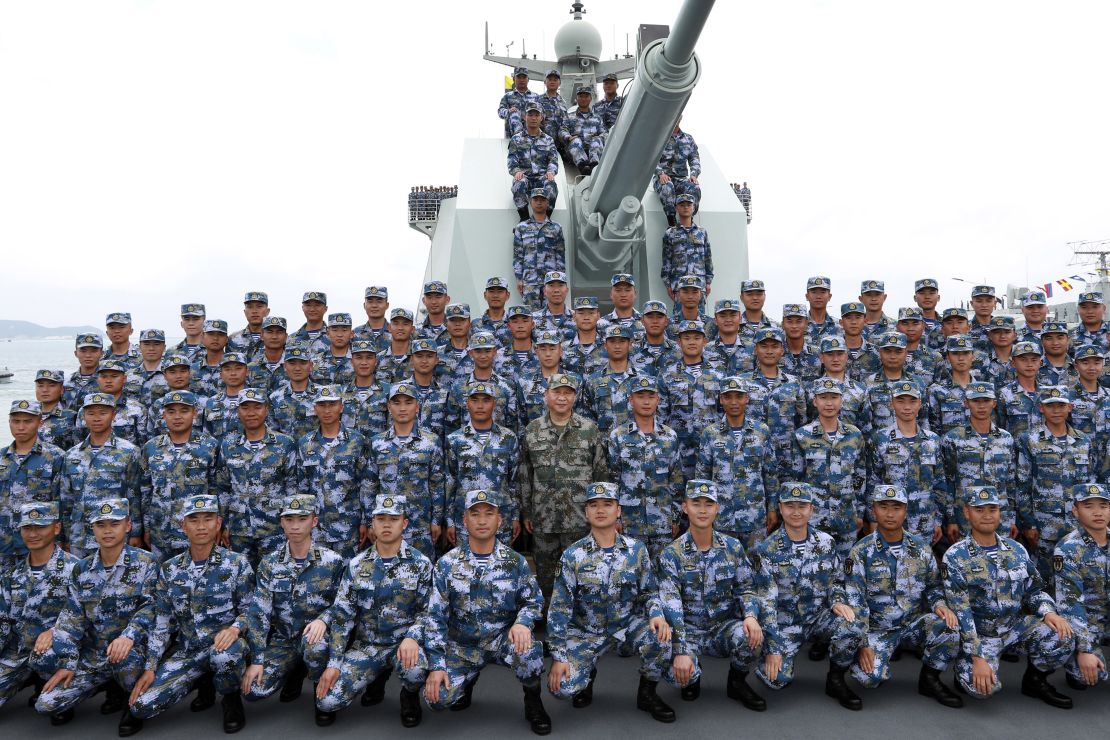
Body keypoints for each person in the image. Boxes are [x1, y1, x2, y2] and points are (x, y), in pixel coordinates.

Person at [423, 490, 550, 735]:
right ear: (464, 520)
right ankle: (467, 680)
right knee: (436, 700)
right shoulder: (446, 565)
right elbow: (435, 618)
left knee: (529, 649)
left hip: (502, 639)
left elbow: (534, 601)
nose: (482, 521)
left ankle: (533, 701)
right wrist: (437, 665)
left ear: (499, 520)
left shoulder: (515, 562)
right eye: (475, 514)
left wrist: (522, 623)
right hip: (462, 645)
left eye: (489, 514)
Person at [546, 482, 675, 723]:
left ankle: (647, 694)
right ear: (586, 512)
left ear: (618, 511)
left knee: (661, 637)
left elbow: (649, 592)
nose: (600, 510)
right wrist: (558, 656)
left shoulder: (637, 550)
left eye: (608, 504)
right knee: (561, 687)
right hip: (587, 631)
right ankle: (586, 677)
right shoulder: (573, 555)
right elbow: (559, 609)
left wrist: (656, 613)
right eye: (593, 505)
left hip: (626, 627)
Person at [127, 494, 254, 733]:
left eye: (208, 519)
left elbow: (251, 611)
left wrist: (235, 629)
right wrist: (151, 667)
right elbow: (162, 623)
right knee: (141, 706)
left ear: (218, 524)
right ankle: (201, 680)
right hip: (188, 651)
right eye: (194, 520)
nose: (201, 526)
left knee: (225, 657)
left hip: (223, 646)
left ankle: (230, 697)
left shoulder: (237, 563)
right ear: (183, 526)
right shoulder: (170, 569)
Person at [33, 499, 160, 735]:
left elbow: (150, 608)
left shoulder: (146, 563)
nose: (108, 530)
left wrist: (128, 637)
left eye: (115, 523)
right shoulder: (81, 569)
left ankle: (127, 700)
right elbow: (72, 617)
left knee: (124, 660)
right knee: (46, 703)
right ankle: (89, 690)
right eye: (101, 524)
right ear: (93, 528)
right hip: (93, 654)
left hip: (130, 652)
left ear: (128, 525)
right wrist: (68, 662)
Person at [942, 485, 1075, 706]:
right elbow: (961, 611)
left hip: (1014, 627)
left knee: (1062, 634)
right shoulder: (955, 556)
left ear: (999, 513)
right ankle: (964, 669)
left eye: (992, 509)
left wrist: (1049, 613)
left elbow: (1034, 591)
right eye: (979, 509)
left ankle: (1035, 680)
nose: (987, 515)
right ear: (967, 512)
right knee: (981, 690)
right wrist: (976, 656)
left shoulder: (1016, 550)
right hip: (981, 634)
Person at [832, 485, 962, 708]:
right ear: (874, 510)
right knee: (869, 678)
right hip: (877, 628)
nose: (890, 513)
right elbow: (856, 601)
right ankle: (836, 677)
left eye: (896, 507)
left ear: (905, 511)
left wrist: (940, 604)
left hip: (912, 623)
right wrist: (863, 643)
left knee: (949, 626)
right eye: (883, 507)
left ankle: (930, 680)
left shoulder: (921, 548)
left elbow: (933, 586)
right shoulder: (860, 551)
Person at [309, 494, 432, 727]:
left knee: (416, 670)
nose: (387, 524)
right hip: (367, 646)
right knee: (326, 702)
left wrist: (413, 638)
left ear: (404, 523)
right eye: (381, 518)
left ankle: (409, 695)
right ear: (372, 524)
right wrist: (334, 663)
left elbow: (428, 612)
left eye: (394, 518)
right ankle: (376, 678)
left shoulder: (421, 564)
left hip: (403, 644)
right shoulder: (356, 565)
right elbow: (342, 616)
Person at [656, 480, 768, 710]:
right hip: (689, 631)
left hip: (721, 628)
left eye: (709, 504)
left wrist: (750, 616)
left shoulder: (732, 547)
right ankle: (691, 676)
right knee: (676, 671)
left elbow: (746, 587)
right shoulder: (671, 554)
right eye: (696, 503)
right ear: (685, 508)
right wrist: (681, 650)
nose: (703, 510)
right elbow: (671, 604)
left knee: (752, 636)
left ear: (718, 508)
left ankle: (736, 683)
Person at [753, 483, 856, 709]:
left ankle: (836, 679)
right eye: (790, 505)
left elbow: (837, 580)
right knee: (775, 679)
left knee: (852, 626)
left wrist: (838, 600)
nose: (796, 511)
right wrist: (773, 649)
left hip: (819, 617)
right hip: (785, 623)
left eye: (802, 505)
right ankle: (781, 660)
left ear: (812, 509)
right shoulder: (766, 550)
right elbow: (766, 603)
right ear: (780, 508)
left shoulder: (826, 543)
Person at [241, 494, 344, 720]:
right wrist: (257, 660)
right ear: (281, 522)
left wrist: (324, 620)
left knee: (314, 647)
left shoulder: (332, 561)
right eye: (289, 519)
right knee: (252, 690)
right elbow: (259, 613)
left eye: (302, 518)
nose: (295, 526)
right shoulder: (270, 563)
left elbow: (344, 607)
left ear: (314, 522)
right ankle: (295, 670)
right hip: (284, 638)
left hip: (316, 639)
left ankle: (320, 686)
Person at [518, 373, 609, 604]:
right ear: (546, 396)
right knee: (547, 583)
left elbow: (600, 476)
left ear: (575, 397)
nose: (561, 397)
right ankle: (552, 633)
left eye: (567, 393)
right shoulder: (532, 430)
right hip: (544, 521)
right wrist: (527, 512)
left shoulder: (589, 430)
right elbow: (525, 476)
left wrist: (601, 514)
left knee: (583, 579)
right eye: (556, 392)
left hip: (580, 521)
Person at [0, 502, 79, 725]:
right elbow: (3, 621)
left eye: (40, 527)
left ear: (56, 528)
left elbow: (85, 618)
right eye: (27, 528)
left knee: (48, 698)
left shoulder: (77, 569)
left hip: (57, 653)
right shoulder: (12, 576)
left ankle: (61, 695)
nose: (33, 534)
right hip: (19, 651)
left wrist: (56, 631)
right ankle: (26, 679)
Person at [216, 387, 300, 567]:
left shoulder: (284, 444)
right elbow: (223, 488)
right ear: (238, 411)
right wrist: (223, 524)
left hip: (275, 529)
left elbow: (293, 486)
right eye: (245, 408)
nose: (251, 413)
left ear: (266, 410)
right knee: (241, 579)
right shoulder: (228, 446)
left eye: (257, 407)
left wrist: (291, 524)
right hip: (239, 530)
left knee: (276, 575)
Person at [1015, 386, 1092, 582]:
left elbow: (1089, 483)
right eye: (1051, 406)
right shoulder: (1029, 440)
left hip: (1078, 525)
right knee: (1045, 579)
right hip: (1044, 525)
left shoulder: (1083, 441)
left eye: (1061, 405)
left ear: (1070, 407)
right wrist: (1028, 523)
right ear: (1041, 408)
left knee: (1078, 576)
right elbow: (1023, 485)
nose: (1056, 410)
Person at [695, 377, 777, 551]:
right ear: (721, 399)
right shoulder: (710, 434)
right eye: (728, 397)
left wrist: (772, 508)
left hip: (754, 516)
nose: (733, 402)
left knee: (756, 567)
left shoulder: (761, 431)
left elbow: (770, 474)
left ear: (746, 398)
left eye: (738, 396)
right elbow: (702, 478)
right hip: (721, 518)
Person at [366, 381, 446, 560]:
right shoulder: (377, 443)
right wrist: (369, 522)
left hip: (421, 526)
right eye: (396, 403)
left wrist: (436, 521)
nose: (402, 408)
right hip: (387, 526)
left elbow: (437, 485)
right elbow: (369, 485)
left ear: (417, 406)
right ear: (388, 407)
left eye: (408, 403)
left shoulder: (431, 442)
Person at [605, 375, 683, 559]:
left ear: (658, 399)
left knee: (662, 572)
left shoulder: (669, 437)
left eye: (650, 396)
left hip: (662, 522)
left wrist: (675, 517)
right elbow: (612, 480)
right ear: (631, 400)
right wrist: (615, 518)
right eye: (640, 396)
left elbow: (676, 481)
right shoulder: (618, 436)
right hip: (629, 523)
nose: (646, 401)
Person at [790, 378, 866, 561]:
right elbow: (795, 477)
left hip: (846, 517)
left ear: (842, 400)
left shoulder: (854, 435)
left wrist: (861, 511)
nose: (829, 403)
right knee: (815, 568)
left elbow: (861, 475)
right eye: (823, 397)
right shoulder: (802, 436)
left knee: (846, 568)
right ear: (815, 401)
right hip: (814, 518)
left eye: (834, 397)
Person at [139, 391, 220, 562]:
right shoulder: (151, 448)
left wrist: (217, 526)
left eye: (184, 411)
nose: (177, 416)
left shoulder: (209, 447)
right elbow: (145, 492)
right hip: (161, 532)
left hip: (197, 533)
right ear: (163, 415)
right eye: (171, 411)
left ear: (194, 413)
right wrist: (146, 528)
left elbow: (217, 490)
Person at [60, 393, 143, 558]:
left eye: (102, 413)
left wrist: (136, 532)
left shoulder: (129, 452)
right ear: (83, 416)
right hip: (80, 535)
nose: (96, 418)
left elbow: (134, 495)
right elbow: (66, 499)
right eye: (91, 413)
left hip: (115, 534)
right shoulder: (72, 455)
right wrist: (64, 535)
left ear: (113, 415)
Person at [295, 386, 371, 560]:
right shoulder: (305, 444)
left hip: (348, 527)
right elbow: (302, 487)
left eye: (332, 404)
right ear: (315, 408)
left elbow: (366, 484)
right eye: (322, 405)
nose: (327, 410)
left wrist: (366, 522)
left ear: (341, 407)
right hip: (316, 528)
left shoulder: (357, 441)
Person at [866, 382, 944, 545]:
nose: (907, 407)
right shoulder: (880, 439)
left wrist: (938, 520)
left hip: (924, 521)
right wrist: (873, 518)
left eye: (912, 401)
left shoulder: (933, 441)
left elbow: (939, 483)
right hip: (889, 520)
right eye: (901, 401)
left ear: (920, 404)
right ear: (891, 404)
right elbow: (873, 482)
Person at [445, 381, 520, 548]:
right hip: (466, 521)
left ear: (494, 403)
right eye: (474, 400)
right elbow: (450, 482)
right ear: (467, 404)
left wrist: (515, 517)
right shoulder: (455, 440)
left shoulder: (508, 438)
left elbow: (515, 482)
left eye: (486, 400)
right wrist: (450, 521)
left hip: (501, 518)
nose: (480, 405)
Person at [939, 381, 1018, 541]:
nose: (981, 406)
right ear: (966, 403)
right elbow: (948, 481)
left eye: (986, 401)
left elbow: (1010, 482)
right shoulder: (953, 439)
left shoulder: (1006, 438)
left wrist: (1011, 518)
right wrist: (951, 519)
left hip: (998, 516)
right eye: (975, 401)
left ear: (994, 403)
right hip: (966, 515)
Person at [1053, 483, 1110, 690]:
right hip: (1087, 620)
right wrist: (1085, 649)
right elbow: (1070, 604)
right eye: (1089, 506)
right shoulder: (1067, 549)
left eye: (1103, 506)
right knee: (1089, 675)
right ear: (1076, 511)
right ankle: (1076, 658)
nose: (1098, 512)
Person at [0, 400, 64, 559]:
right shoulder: (1, 457)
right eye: (16, 421)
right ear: (9, 423)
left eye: (28, 421)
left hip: (38, 544)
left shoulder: (55, 457)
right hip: (4, 544)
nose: (21, 427)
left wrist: (62, 539)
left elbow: (62, 502)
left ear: (40, 422)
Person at [508, 103, 559, 221]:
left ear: (541, 118)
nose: (534, 118)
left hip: (542, 177)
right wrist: (516, 171)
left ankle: (545, 220)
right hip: (525, 176)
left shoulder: (548, 140)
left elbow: (553, 159)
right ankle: (525, 219)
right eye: (530, 115)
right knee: (518, 183)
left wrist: (551, 172)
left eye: (537, 115)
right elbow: (512, 160)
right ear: (525, 117)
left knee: (551, 185)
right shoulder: (516, 139)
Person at [661, 194, 712, 297]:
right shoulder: (670, 233)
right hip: (679, 284)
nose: (685, 207)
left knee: (700, 313)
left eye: (689, 205)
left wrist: (708, 282)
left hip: (699, 284)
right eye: (682, 205)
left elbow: (708, 258)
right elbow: (666, 261)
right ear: (676, 208)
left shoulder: (702, 232)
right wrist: (668, 284)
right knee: (680, 313)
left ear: (693, 207)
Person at [268, 344, 320, 443]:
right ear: (285, 366)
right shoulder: (275, 397)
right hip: (285, 453)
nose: (297, 368)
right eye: (292, 363)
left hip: (315, 452)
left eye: (303, 363)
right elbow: (272, 432)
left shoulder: (322, 395)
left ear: (311, 365)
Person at [653, 121, 701, 226]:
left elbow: (694, 158)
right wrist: (660, 173)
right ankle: (672, 223)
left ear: (681, 118)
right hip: (662, 177)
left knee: (694, 187)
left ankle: (688, 221)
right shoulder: (659, 137)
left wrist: (694, 174)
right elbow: (651, 158)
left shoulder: (688, 139)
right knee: (667, 187)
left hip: (681, 178)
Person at [559, 85, 606, 175]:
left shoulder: (597, 118)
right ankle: (583, 166)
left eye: (586, 96)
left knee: (598, 139)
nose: (583, 99)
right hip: (575, 151)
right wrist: (568, 137)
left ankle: (593, 165)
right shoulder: (569, 117)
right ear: (576, 98)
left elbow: (604, 132)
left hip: (593, 150)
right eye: (580, 96)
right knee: (575, 140)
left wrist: (599, 137)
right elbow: (562, 130)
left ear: (590, 98)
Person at [63, 333, 105, 410]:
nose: (88, 355)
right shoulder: (66, 382)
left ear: (101, 353)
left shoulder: (107, 382)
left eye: (93, 351)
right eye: (83, 351)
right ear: (76, 353)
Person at [312, 313, 355, 387]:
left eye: (344, 330)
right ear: (328, 333)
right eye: (335, 330)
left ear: (351, 334)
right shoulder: (315, 361)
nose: (339, 335)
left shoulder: (359, 360)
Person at [497, 66, 540, 138]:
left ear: (528, 79)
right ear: (514, 79)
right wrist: (508, 111)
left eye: (524, 77)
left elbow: (541, 114)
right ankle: (518, 134)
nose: (521, 80)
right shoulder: (507, 96)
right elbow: (500, 111)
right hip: (513, 139)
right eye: (519, 77)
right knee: (514, 113)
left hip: (533, 138)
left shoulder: (536, 97)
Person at [228, 291, 270, 360]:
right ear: (245, 312)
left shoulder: (276, 338)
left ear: (267, 311)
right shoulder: (233, 339)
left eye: (259, 306)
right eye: (250, 307)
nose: (254, 311)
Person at [193, 319, 230, 399]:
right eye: (211, 334)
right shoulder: (192, 369)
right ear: (202, 337)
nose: (215, 338)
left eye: (220, 334)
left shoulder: (234, 369)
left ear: (226, 339)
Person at [290, 291, 330, 358]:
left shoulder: (334, 337)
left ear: (325, 309)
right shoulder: (291, 339)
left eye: (317, 305)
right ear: (302, 308)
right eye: (308, 305)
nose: (312, 309)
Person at [354, 286, 391, 352]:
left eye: (379, 301)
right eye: (370, 302)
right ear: (364, 305)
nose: (374, 305)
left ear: (387, 305)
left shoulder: (396, 333)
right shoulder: (355, 334)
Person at [805, 276, 838, 343]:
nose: (818, 296)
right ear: (807, 296)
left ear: (829, 296)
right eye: (814, 292)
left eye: (823, 292)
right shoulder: (799, 325)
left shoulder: (839, 326)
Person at [537, 69, 566, 142]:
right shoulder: (538, 100)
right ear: (545, 82)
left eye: (555, 80)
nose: (552, 82)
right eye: (550, 80)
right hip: (544, 139)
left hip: (561, 138)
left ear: (559, 83)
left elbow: (565, 122)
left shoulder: (562, 102)